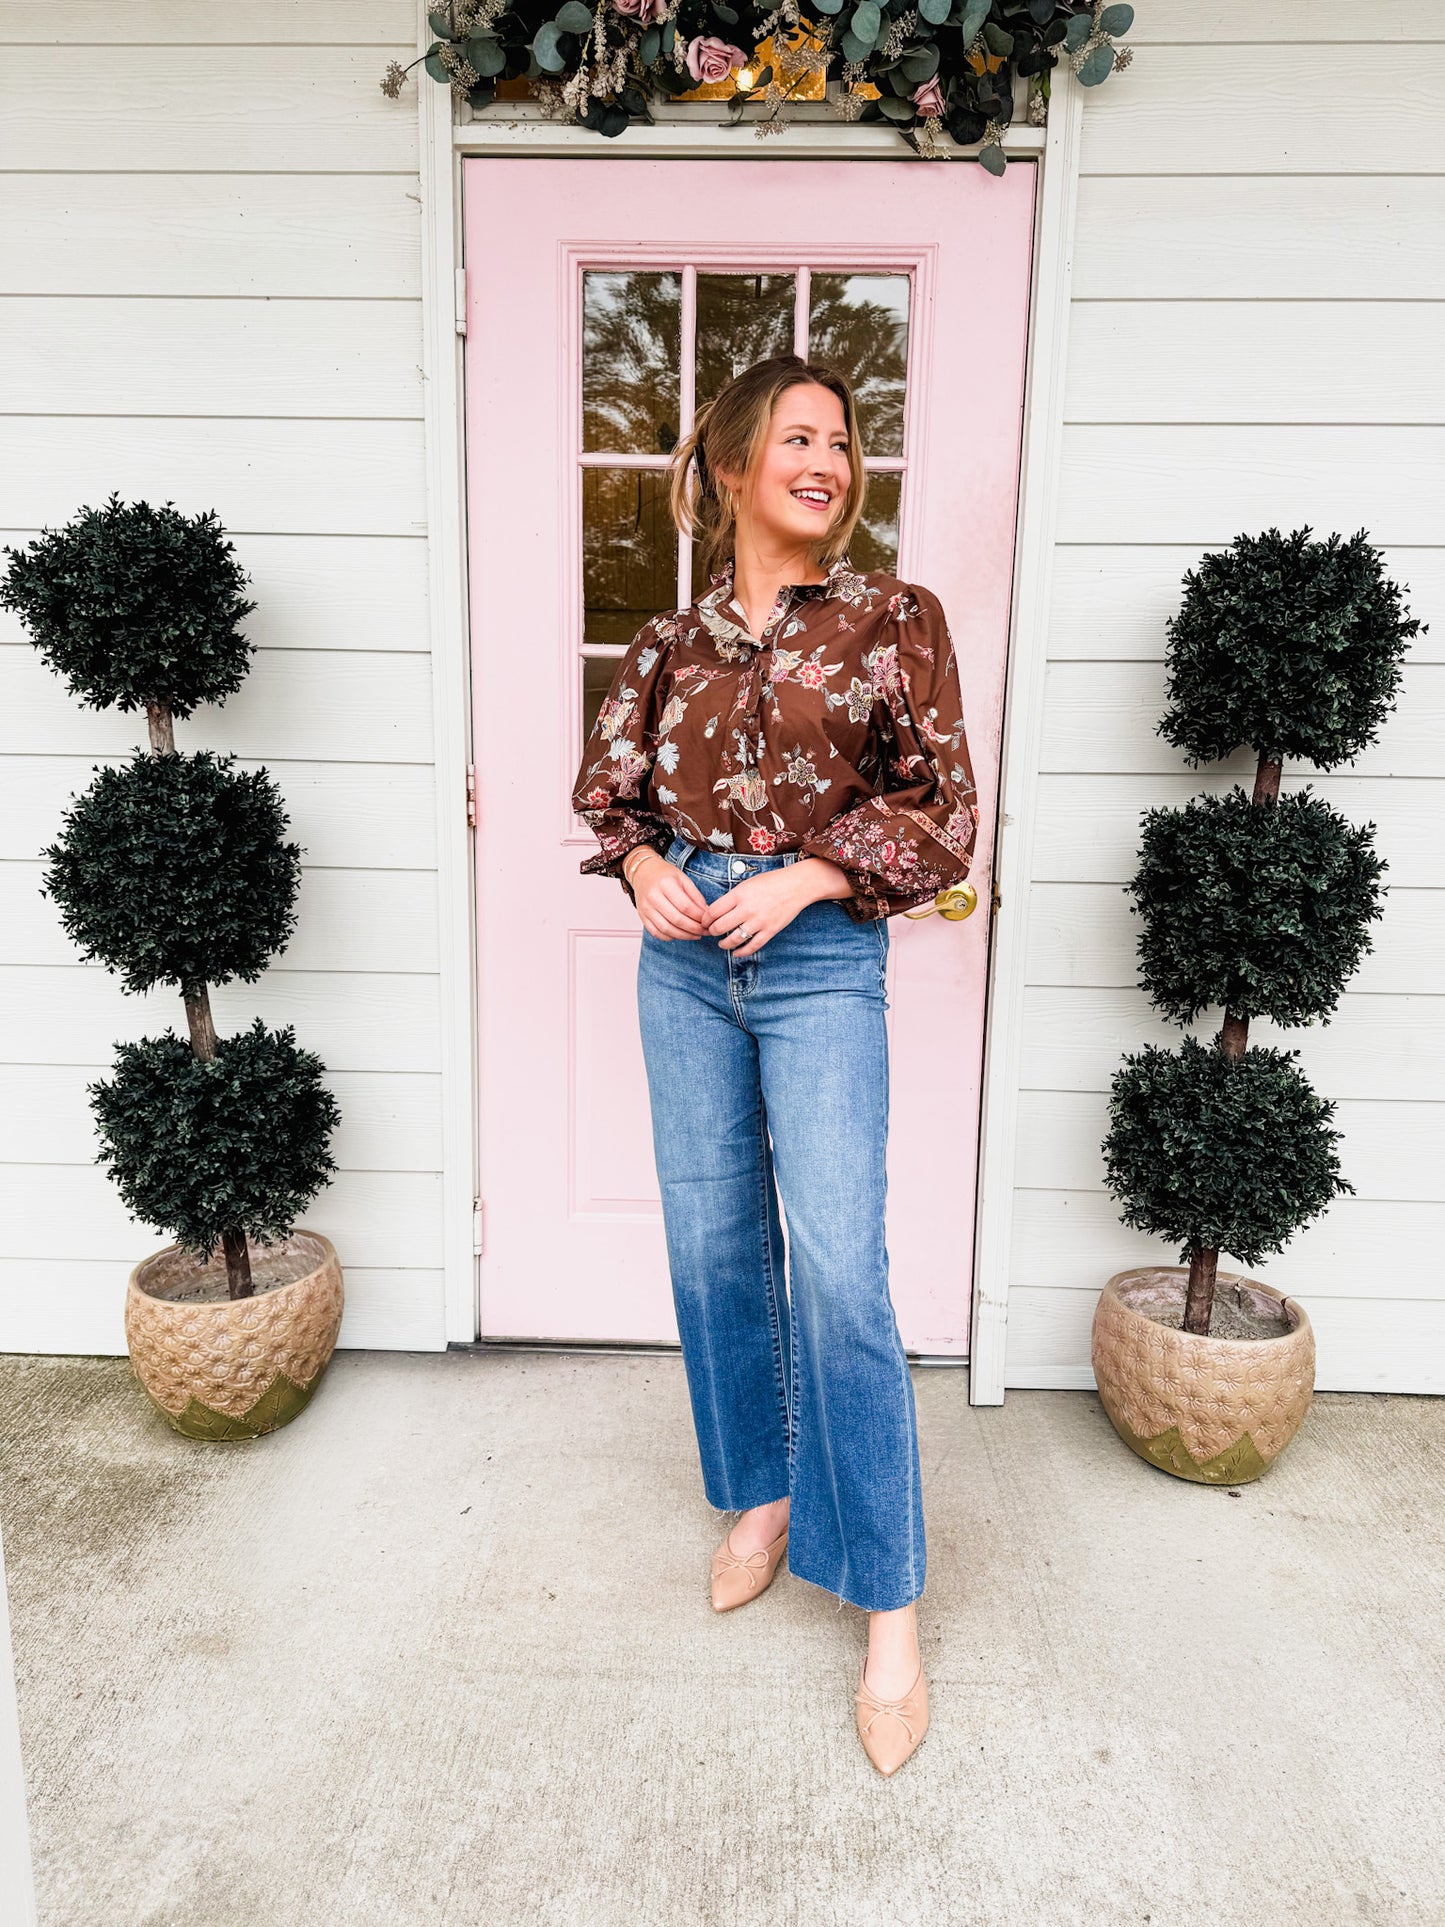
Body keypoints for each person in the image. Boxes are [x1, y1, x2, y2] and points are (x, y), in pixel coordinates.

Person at [571, 353, 979, 1777]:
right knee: (712, 1244)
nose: (828, 462)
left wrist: (809, 875)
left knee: (843, 1268)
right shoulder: (667, 644)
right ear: (733, 466)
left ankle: (887, 1605)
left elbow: (943, 809)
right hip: (683, 959)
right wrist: (641, 869)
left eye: (844, 443)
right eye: (798, 439)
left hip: (816, 960)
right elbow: (612, 794)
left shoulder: (893, 621)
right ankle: (761, 1494)